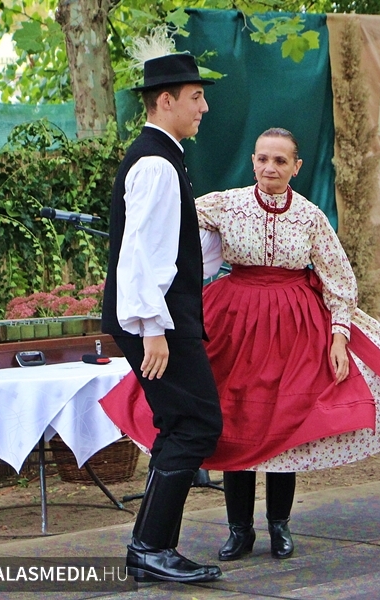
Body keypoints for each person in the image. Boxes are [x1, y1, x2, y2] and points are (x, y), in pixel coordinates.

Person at [102, 127, 380, 562]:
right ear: (252, 161)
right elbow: (168, 221)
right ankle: (239, 529)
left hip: (293, 326)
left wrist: (339, 335)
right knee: (238, 420)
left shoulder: (310, 217)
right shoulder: (224, 203)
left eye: (280, 160)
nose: (270, 167)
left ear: (296, 167)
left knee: (284, 424)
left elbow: (339, 278)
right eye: (263, 158)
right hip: (234, 322)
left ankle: (279, 524)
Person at [100, 52, 223, 584]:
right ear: (166, 101)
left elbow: (171, 247)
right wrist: (153, 328)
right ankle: (150, 547)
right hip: (158, 321)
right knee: (196, 423)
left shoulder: (164, 157)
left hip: (163, 317)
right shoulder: (155, 164)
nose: (204, 107)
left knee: (181, 423)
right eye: (196, 97)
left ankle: (150, 548)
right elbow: (141, 254)